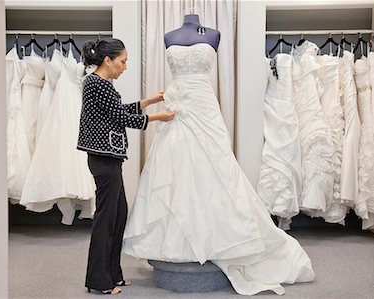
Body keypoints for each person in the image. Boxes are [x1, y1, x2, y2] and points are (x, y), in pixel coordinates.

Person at [122, 15, 315, 295]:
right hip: (177, 104)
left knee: (212, 166)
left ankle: (219, 238)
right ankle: (177, 242)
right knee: (175, 167)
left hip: (202, 103)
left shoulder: (214, 33)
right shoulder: (169, 35)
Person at [77, 38, 175, 295]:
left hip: (109, 159)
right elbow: (121, 117)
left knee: (118, 214)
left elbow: (117, 110)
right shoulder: (96, 84)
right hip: (104, 160)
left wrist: (150, 101)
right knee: (106, 219)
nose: (125, 66)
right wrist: (157, 117)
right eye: (123, 61)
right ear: (108, 61)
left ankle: (113, 274)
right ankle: (99, 281)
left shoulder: (100, 84)